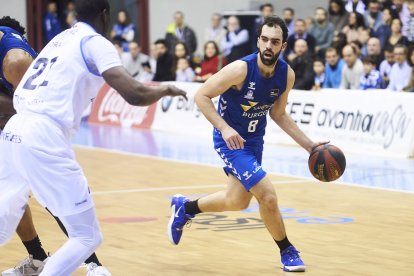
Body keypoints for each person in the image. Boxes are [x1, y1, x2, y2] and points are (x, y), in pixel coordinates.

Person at [0, 1, 186, 276]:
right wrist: (166, 89)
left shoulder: (61, 38)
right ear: (105, 15)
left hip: (12, 131)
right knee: (86, 236)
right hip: (43, 133)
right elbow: (134, 93)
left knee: (3, 227)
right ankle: (91, 266)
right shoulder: (95, 41)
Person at [168, 16, 326, 273]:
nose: (268, 46)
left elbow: (278, 114)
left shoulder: (287, 75)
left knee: (238, 201)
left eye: (274, 42)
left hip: (253, 141)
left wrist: (310, 146)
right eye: (264, 39)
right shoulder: (240, 69)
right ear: (258, 40)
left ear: (283, 46)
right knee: (268, 196)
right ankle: (287, 250)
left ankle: (185, 208)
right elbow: (202, 96)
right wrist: (224, 127)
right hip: (229, 140)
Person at [0, 15, 112, 276]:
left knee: (55, 199)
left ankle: (93, 263)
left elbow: (28, 107)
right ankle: (38, 258)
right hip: (13, 129)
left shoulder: (16, 60)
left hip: (35, 131)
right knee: (12, 198)